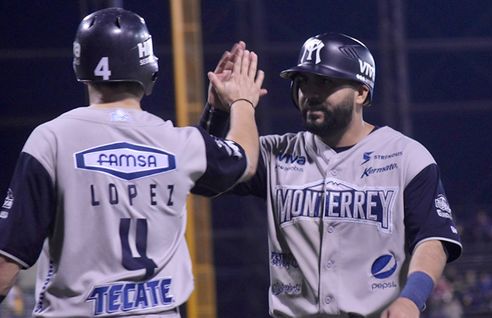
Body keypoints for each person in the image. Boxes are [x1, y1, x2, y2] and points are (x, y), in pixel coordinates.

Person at [0, 7, 264, 317]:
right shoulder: (178, 143)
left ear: (81, 67)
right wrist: (241, 102)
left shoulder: (52, 139)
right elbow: (243, 160)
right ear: (149, 70)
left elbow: (6, 264)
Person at [198, 33, 462, 317]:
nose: (310, 94)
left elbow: (433, 239)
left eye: (325, 83)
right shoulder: (273, 154)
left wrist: (412, 298)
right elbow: (205, 176)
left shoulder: (406, 156)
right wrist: (217, 111)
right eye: (303, 83)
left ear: (361, 92)